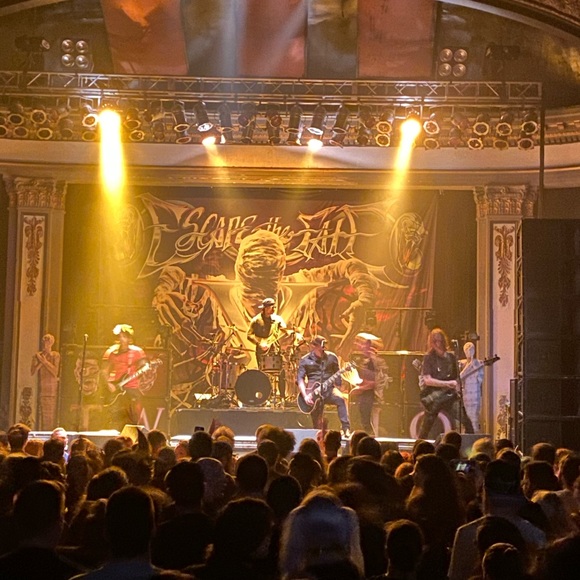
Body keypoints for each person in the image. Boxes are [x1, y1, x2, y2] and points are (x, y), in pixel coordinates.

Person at [418, 327, 473, 439]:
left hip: (450, 396)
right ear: (431, 342)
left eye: (440, 340)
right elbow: (427, 380)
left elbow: (456, 377)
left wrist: (457, 385)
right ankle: (419, 445)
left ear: (444, 341)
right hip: (434, 396)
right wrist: (447, 384)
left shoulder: (451, 357)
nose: (438, 344)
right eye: (435, 341)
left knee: (466, 421)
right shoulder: (429, 358)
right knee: (426, 426)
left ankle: (471, 444)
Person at [101, 324, 156, 428]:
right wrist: (108, 384)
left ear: (129, 338)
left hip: (132, 388)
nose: (121, 339)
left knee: (133, 416)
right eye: (119, 336)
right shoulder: (111, 352)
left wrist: (145, 369)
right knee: (115, 416)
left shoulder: (137, 352)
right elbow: (104, 371)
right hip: (115, 389)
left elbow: (144, 367)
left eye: (124, 336)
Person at [297, 335, 351, 438]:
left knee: (340, 399)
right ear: (313, 346)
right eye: (320, 345)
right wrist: (305, 396)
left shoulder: (332, 357)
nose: (323, 348)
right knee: (316, 414)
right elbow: (300, 379)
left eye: (324, 345)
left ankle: (346, 428)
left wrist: (338, 384)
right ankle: (317, 433)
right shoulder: (305, 360)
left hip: (329, 390)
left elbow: (337, 373)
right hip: (313, 392)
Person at [348, 332, 388, 436]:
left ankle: (369, 432)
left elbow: (375, 382)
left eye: (363, 344)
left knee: (364, 405)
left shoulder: (375, 362)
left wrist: (360, 389)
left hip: (374, 394)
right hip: (365, 392)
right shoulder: (364, 361)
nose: (360, 346)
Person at [30, 333, 60, 430]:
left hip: (51, 389)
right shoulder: (37, 356)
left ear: (52, 343)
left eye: (48, 342)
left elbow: (55, 372)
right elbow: (33, 371)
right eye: (44, 342)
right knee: (42, 416)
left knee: (50, 417)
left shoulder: (55, 355)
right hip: (42, 389)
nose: (46, 344)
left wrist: (44, 361)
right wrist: (41, 361)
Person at [459, 341, 484, 432]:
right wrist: (469, 366)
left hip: (475, 394)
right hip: (465, 393)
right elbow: (459, 377)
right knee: (465, 418)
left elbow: (480, 379)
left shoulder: (478, 363)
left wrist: (475, 367)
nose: (469, 352)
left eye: (471, 350)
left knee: (474, 418)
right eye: (467, 350)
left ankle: (475, 434)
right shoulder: (462, 363)